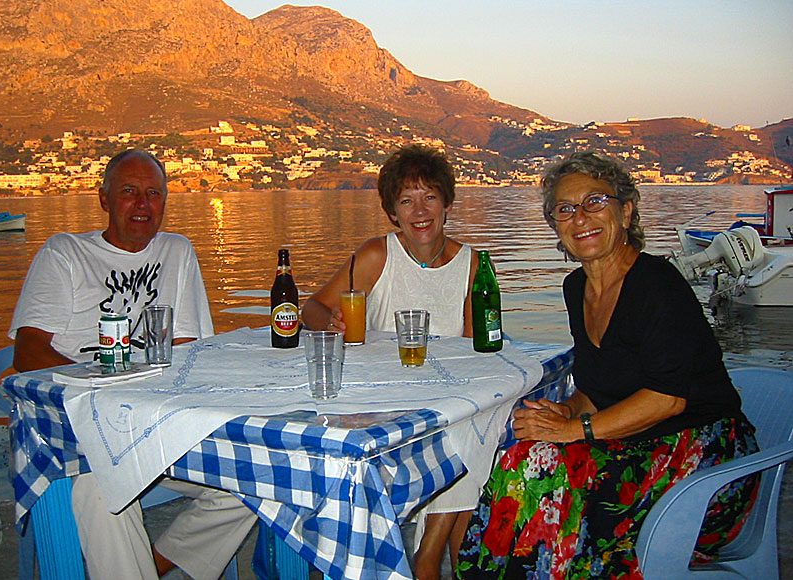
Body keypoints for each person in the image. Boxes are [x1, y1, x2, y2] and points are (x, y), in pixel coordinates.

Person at [456, 151, 759, 580]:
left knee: (546, 475)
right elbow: (597, 387)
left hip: (707, 461)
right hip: (639, 443)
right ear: (556, 228)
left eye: (595, 202)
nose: (581, 217)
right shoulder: (576, 286)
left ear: (626, 210)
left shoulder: (657, 284)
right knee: (519, 456)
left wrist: (573, 430)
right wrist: (569, 410)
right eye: (565, 209)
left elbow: (668, 399)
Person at [9, 149, 255, 580]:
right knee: (100, 482)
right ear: (104, 199)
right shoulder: (65, 252)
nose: (142, 205)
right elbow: (27, 352)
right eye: (129, 192)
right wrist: (107, 387)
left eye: (153, 194)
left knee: (255, 476)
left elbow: (188, 350)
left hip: (156, 419)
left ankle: (150, 566)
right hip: (81, 423)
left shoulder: (176, 251)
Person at [302, 143, 480, 580]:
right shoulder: (376, 256)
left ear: (447, 204)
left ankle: (431, 554)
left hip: (443, 395)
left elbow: (478, 349)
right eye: (406, 200)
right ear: (393, 212)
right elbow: (312, 309)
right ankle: (439, 559)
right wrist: (331, 324)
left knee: (476, 419)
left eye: (430, 197)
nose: (420, 210)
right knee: (470, 430)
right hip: (378, 399)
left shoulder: (474, 265)